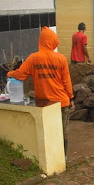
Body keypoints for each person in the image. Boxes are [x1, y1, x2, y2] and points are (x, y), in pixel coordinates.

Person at [7, 26, 74, 155]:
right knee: (62, 131)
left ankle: (50, 156)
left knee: (48, 131)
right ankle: (62, 157)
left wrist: (10, 73)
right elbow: (67, 81)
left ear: (41, 41)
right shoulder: (60, 58)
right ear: (53, 41)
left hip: (44, 103)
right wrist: (71, 97)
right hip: (61, 102)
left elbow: (20, 74)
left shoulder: (33, 58)